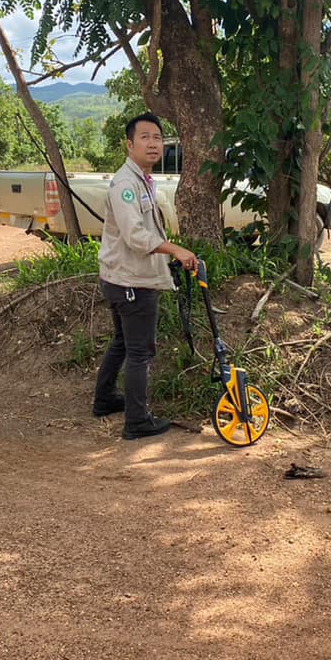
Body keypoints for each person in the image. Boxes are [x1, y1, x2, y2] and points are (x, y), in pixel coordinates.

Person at [92, 113, 198, 440]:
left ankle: (105, 399)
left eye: (157, 138)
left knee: (123, 343)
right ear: (129, 144)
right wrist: (176, 250)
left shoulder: (141, 179)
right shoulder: (126, 185)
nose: (153, 144)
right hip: (131, 281)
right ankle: (137, 421)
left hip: (121, 277)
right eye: (145, 138)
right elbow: (135, 236)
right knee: (140, 351)